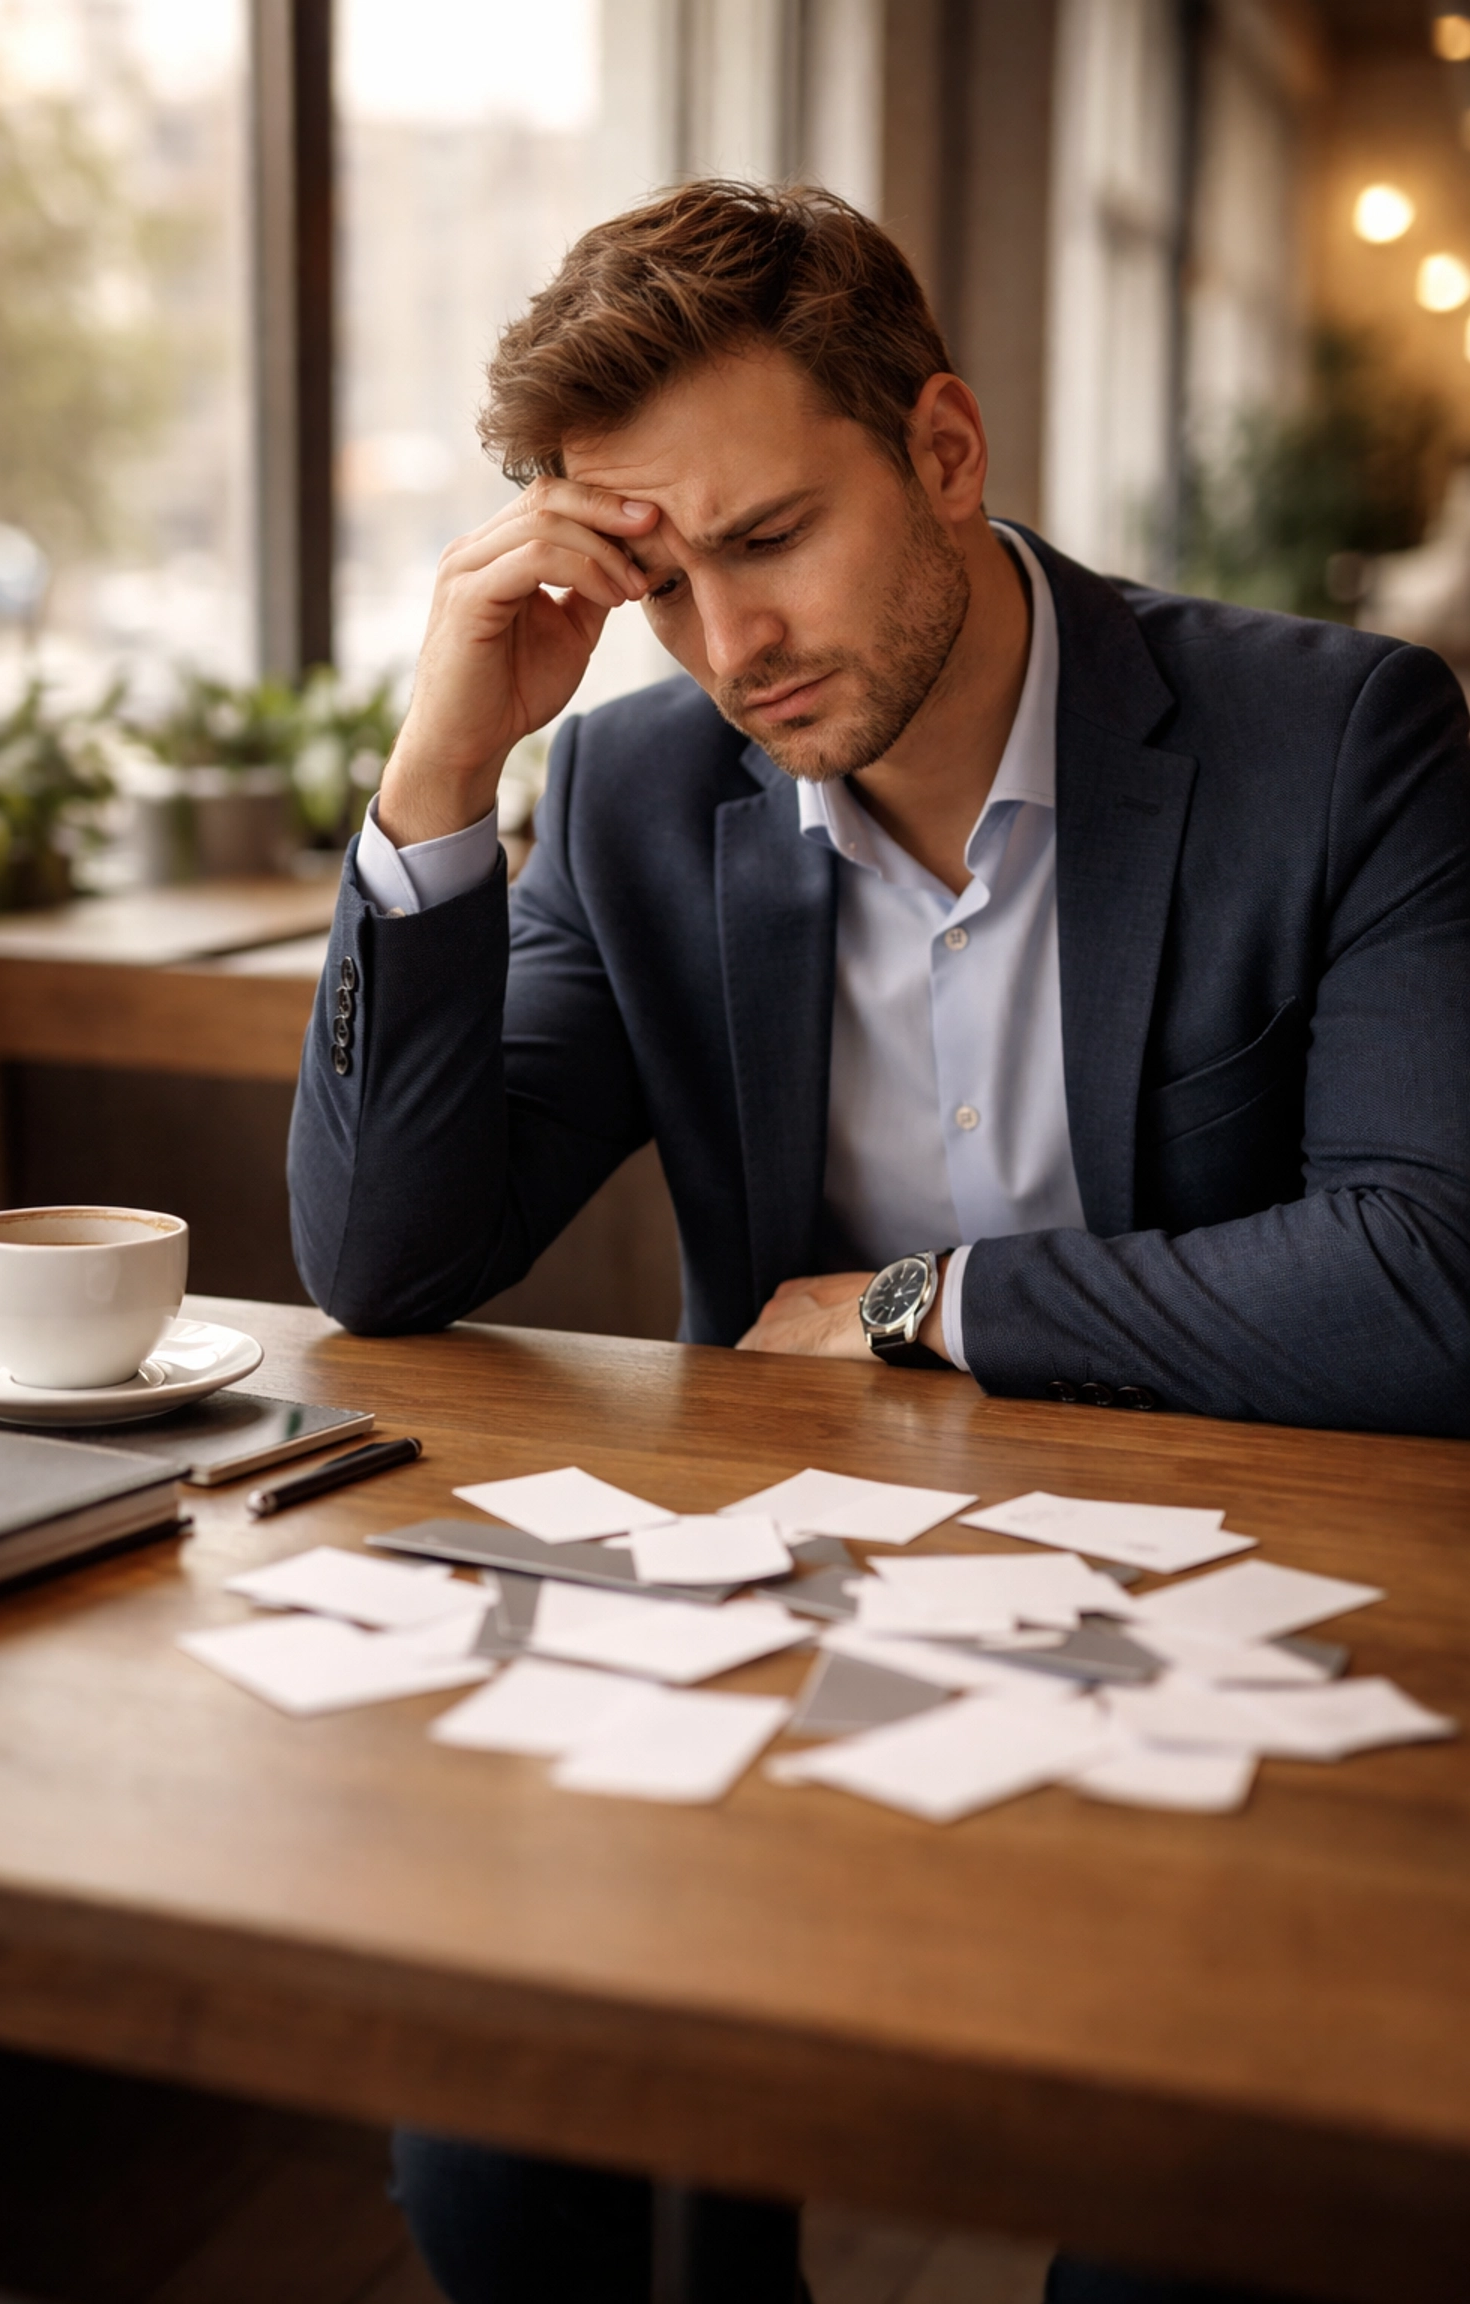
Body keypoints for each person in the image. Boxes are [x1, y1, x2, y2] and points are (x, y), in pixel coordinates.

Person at [288, 181, 1470, 2302]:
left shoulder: (1341, 743)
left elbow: (1430, 1279)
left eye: (767, 541)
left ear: (941, 451)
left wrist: (935, 1303)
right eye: (664, 584)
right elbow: (388, 1258)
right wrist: (450, 763)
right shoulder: (646, 791)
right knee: (498, 2147)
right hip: (782, 1611)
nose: (730, 649)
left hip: (1233, 1628)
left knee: (1186, 2240)